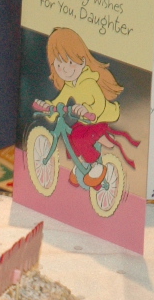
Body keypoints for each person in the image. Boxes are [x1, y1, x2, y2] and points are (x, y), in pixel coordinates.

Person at [31, 27, 138, 188]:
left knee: (83, 138)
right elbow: (60, 100)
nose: (65, 69)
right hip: (86, 121)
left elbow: (99, 104)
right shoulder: (69, 85)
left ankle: (97, 166)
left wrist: (87, 110)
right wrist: (49, 107)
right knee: (73, 136)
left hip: (98, 119)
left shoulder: (89, 82)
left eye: (70, 63)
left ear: (82, 60)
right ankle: (84, 163)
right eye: (59, 65)